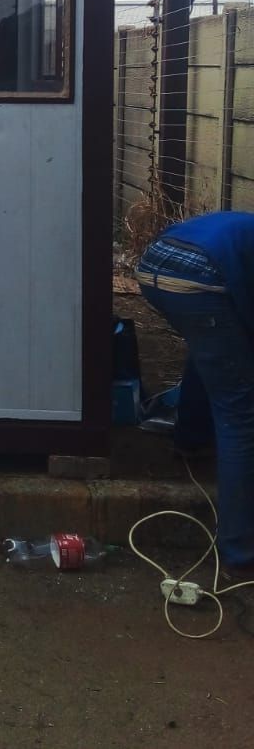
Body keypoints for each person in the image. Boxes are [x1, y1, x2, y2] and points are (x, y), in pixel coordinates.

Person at [136, 210, 254, 577]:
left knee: (213, 350)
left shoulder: (240, 224)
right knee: (240, 412)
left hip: (154, 266)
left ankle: (191, 438)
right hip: (201, 279)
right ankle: (240, 554)